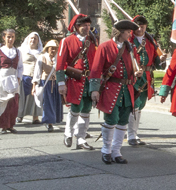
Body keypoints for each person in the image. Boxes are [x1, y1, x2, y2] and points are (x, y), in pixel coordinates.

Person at [89, 19, 140, 164]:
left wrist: (137, 74)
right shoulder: (105, 47)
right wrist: (94, 90)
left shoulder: (130, 48)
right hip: (111, 88)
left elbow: (134, 67)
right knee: (111, 120)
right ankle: (106, 150)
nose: (130, 34)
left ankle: (116, 151)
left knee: (123, 121)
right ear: (120, 32)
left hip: (127, 89)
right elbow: (96, 69)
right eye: (128, 32)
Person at [57, 15, 98, 149]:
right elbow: (60, 64)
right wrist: (61, 83)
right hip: (75, 79)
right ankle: (68, 133)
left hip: (89, 80)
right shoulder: (67, 41)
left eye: (88, 25)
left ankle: (81, 138)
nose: (87, 28)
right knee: (75, 108)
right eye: (84, 26)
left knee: (86, 109)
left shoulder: (92, 41)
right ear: (76, 27)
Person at [127, 15, 165, 147]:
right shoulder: (129, 40)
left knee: (140, 105)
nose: (140, 29)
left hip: (146, 77)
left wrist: (161, 59)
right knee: (134, 105)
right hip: (134, 75)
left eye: (142, 27)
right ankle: (131, 135)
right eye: (137, 26)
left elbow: (155, 59)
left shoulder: (150, 40)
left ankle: (134, 133)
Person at [0, 29, 21, 133]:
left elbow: (20, 67)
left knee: (13, 103)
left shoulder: (18, 51)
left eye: (12, 37)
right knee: (2, 102)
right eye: (8, 37)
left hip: (13, 79)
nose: (10, 39)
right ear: (4, 38)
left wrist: (19, 77)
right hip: (1, 79)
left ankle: (10, 125)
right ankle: (3, 125)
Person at [37, 39, 63, 131]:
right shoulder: (42, 58)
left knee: (56, 102)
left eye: (55, 49)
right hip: (46, 83)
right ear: (47, 49)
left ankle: (54, 119)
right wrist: (35, 85)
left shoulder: (59, 58)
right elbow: (37, 72)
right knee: (47, 102)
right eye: (52, 48)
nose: (53, 51)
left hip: (56, 82)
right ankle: (49, 122)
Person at [19, 31, 44, 124]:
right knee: (22, 97)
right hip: (24, 75)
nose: (33, 40)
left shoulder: (41, 52)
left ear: (38, 41)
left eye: (35, 38)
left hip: (37, 77)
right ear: (28, 39)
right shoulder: (21, 50)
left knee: (36, 97)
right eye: (31, 38)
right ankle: (20, 115)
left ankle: (35, 117)